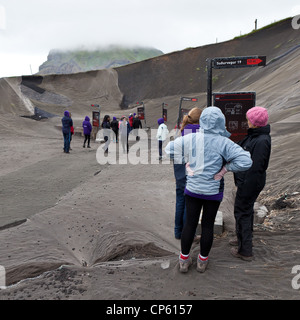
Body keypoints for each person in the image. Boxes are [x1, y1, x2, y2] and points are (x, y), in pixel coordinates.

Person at [165, 106, 253, 273]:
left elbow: (169, 149)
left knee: (190, 224)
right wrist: (225, 169)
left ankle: (184, 260)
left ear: (203, 121)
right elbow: (246, 161)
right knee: (207, 226)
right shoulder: (224, 143)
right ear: (221, 122)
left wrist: (186, 162)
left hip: (192, 189)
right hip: (213, 192)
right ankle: (202, 262)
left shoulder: (191, 138)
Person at [229, 106, 271, 261]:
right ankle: (243, 239)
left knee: (242, 212)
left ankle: (245, 250)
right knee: (245, 211)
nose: (246, 122)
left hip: (249, 183)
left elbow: (256, 168)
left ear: (254, 123)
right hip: (249, 182)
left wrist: (245, 186)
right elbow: (241, 146)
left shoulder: (261, 141)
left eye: (248, 120)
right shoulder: (257, 136)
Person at [173, 107, 202, 240]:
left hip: (179, 171)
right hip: (190, 173)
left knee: (180, 201)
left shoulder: (183, 130)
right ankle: (188, 233)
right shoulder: (199, 132)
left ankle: (178, 232)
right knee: (189, 204)